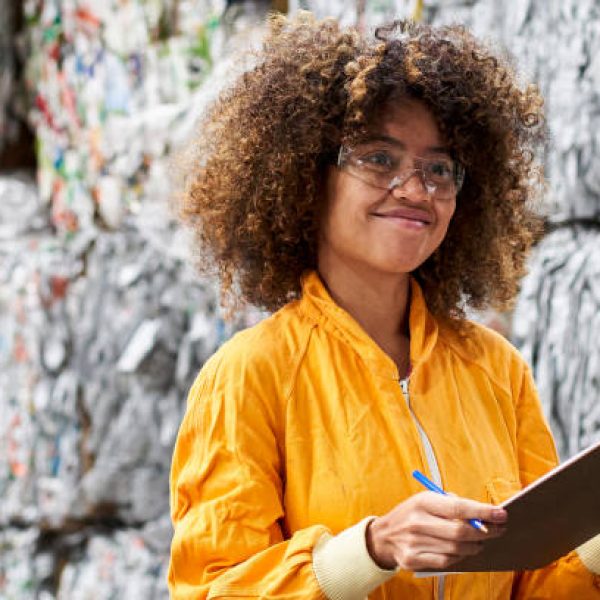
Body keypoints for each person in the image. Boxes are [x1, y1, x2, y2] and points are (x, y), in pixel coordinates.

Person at [168, 12, 600, 599]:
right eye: (378, 158)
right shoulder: (248, 376)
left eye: (439, 169)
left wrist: (592, 548)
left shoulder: (496, 369)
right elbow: (212, 588)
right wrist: (370, 548)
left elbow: (543, 585)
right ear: (304, 177)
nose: (416, 189)